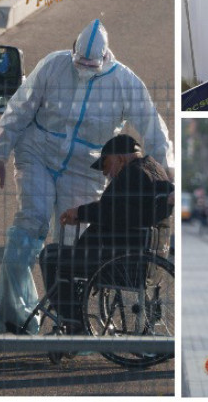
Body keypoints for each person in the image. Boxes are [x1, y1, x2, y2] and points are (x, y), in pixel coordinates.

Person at [0, 19, 174, 335]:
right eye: (79, 63)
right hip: (38, 153)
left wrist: (169, 173)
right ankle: (14, 315)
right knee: (30, 223)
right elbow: (19, 108)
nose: (83, 69)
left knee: (75, 243)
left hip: (83, 166)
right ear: (71, 50)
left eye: (91, 66)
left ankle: (72, 321)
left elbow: (154, 128)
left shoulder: (124, 82)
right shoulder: (53, 66)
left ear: (105, 59)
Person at [42, 134, 173, 331]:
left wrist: (80, 212)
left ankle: (74, 321)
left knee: (50, 256)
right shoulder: (154, 170)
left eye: (105, 164)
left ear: (120, 157)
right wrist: (82, 213)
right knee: (62, 256)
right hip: (139, 257)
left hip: (115, 259)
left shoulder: (132, 175)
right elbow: (119, 209)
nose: (105, 173)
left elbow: (112, 212)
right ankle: (76, 316)